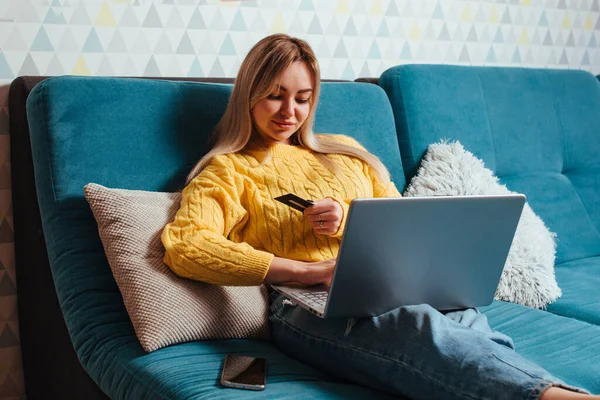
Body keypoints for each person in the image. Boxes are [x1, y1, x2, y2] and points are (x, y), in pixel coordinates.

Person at [161, 34, 596, 400]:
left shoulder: (347, 153)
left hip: (390, 282)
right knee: (418, 326)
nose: (288, 112)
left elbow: (402, 221)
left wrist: (349, 220)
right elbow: (187, 246)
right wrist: (306, 270)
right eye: (274, 95)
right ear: (248, 94)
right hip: (302, 306)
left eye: (302, 98)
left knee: (461, 315)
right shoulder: (230, 169)